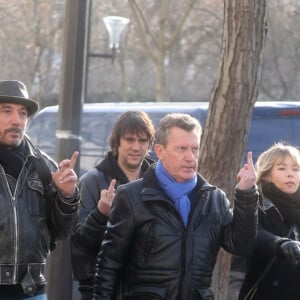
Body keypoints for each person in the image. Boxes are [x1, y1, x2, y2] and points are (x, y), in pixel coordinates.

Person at [93, 113, 259, 300]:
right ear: (160, 151)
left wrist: (246, 193)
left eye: (194, 149)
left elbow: (241, 246)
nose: (190, 157)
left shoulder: (214, 199)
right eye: (181, 149)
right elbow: (109, 265)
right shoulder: (132, 197)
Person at [0, 80, 80, 299]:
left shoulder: (44, 168)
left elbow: (62, 231)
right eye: (6, 111)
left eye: (23, 113)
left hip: (32, 290)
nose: (16, 121)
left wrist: (67, 196)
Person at [71, 110, 155, 300]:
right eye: (129, 140)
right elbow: (79, 242)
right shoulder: (92, 181)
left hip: (145, 287)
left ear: (150, 144)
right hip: (100, 288)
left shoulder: (157, 180)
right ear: (117, 143)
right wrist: (100, 215)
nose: (136, 147)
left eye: (142, 141)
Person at [239, 142, 300, 300]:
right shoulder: (255, 207)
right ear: (266, 175)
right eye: (282, 168)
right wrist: (280, 244)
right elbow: (254, 236)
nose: (290, 174)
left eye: (296, 169)